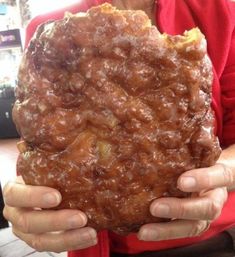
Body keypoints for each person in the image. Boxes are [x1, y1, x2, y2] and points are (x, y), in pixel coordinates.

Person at [3, 0, 235, 256]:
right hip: (94, 244)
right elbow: (43, 139)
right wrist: (30, 200)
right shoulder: (51, 32)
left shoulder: (220, 11)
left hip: (214, 239)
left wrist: (224, 175)